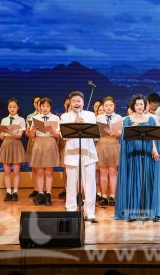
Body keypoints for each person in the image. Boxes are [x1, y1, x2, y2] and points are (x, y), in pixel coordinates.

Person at [114, 95, 160, 222]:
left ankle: (149, 211)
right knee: (133, 180)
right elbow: (124, 139)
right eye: (137, 104)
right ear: (133, 106)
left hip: (147, 152)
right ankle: (133, 212)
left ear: (145, 106)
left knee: (147, 180)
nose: (139, 106)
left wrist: (154, 148)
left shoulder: (151, 119)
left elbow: (154, 136)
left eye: (141, 104)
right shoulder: (127, 120)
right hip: (133, 153)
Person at [60, 90, 99, 221]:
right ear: (70, 103)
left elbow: (94, 135)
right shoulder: (65, 117)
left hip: (88, 153)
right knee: (71, 183)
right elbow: (64, 136)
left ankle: (89, 211)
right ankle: (71, 210)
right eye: (74, 101)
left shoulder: (90, 115)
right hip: (72, 153)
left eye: (79, 101)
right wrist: (74, 123)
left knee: (90, 183)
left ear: (83, 102)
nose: (76, 103)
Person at [27, 97, 61, 206]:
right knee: (40, 172)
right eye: (43, 106)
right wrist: (32, 131)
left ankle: (48, 194)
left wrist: (52, 131)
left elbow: (58, 135)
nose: (45, 108)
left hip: (50, 142)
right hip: (38, 143)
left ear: (51, 107)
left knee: (49, 172)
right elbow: (32, 136)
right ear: (40, 107)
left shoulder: (56, 118)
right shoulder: (35, 118)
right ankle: (40, 193)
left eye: (48, 106)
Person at [0, 98, 26, 202]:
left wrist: (11, 132)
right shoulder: (4, 120)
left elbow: (19, 136)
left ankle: (15, 192)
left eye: (14, 107)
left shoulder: (21, 120)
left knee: (16, 171)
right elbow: (2, 137)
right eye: (10, 107)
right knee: (7, 171)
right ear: (7, 108)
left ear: (18, 108)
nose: (12, 109)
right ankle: (8, 192)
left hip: (16, 144)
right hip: (6, 144)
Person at [96, 96, 123, 207]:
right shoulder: (98, 117)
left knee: (112, 172)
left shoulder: (119, 117)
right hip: (102, 144)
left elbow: (121, 133)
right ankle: (103, 196)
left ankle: (112, 196)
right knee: (103, 172)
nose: (108, 107)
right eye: (106, 105)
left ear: (114, 106)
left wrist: (115, 133)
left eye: (110, 105)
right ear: (103, 106)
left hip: (113, 144)